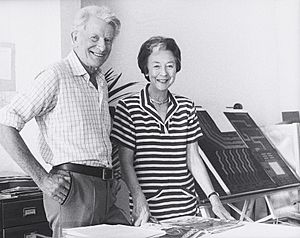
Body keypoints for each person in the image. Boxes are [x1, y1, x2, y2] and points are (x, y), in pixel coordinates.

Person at [0, 5, 129, 237]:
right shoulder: (56, 74)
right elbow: (6, 124)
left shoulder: (100, 80)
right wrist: (42, 179)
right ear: (75, 37)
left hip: (106, 188)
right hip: (73, 189)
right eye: (95, 37)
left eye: (108, 40)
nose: (102, 46)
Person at [111, 36, 234, 226]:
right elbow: (125, 163)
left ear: (177, 67)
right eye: (156, 66)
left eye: (170, 65)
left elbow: (193, 158)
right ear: (146, 69)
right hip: (148, 209)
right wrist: (138, 199)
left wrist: (214, 199)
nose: (164, 73)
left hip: (186, 208)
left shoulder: (186, 107)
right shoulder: (128, 107)